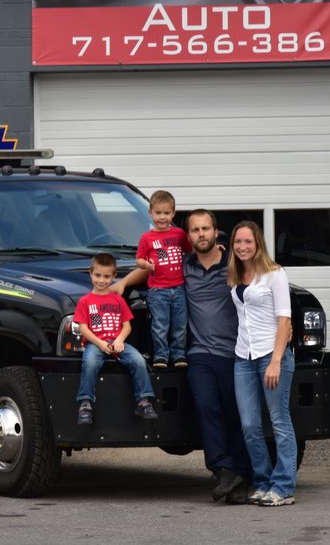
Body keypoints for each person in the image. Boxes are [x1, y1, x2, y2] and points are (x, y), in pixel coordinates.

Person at [113, 210, 251, 504]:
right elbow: (150, 269)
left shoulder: (233, 264)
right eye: (195, 230)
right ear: (187, 237)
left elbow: (267, 277)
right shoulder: (183, 267)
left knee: (235, 413)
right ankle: (223, 470)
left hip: (235, 353)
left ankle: (240, 474)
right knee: (205, 407)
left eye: (206, 229)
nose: (201, 234)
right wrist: (123, 284)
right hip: (199, 353)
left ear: (216, 232)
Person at [228, 220, 297, 507]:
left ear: (258, 244)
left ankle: (284, 487)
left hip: (272, 355)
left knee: (279, 421)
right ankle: (263, 481)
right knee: (249, 425)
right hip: (243, 357)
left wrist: (277, 361)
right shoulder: (234, 275)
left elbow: (285, 320)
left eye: (248, 242)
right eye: (238, 242)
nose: (243, 247)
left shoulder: (274, 274)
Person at [75, 253, 159, 426]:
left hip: (117, 342)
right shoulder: (85, 301)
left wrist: (119, 340)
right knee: (89, 362)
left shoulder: (118, 300)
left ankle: (143, 402)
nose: (101, 280)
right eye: (98, 275)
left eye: (107, 276)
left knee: (138, 360)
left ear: (114, 277)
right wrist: (99, 343)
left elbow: (127, 326)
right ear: (91, 274)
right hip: (96, 343)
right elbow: (84, 328)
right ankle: (85, 404)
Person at [136, 190, 192, 370]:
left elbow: (191, 251)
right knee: (160, 324)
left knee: (180, 324)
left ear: (173, 213)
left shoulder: (179, 234)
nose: (162, 217)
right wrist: (146, 265)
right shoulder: (147, 238)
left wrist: (215, 248)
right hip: (157, 290)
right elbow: (139, 259)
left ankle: (178, 354)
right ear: (150, 213)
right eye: (158, 213)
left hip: (179, 288)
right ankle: (160, 355)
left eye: (167, 213)